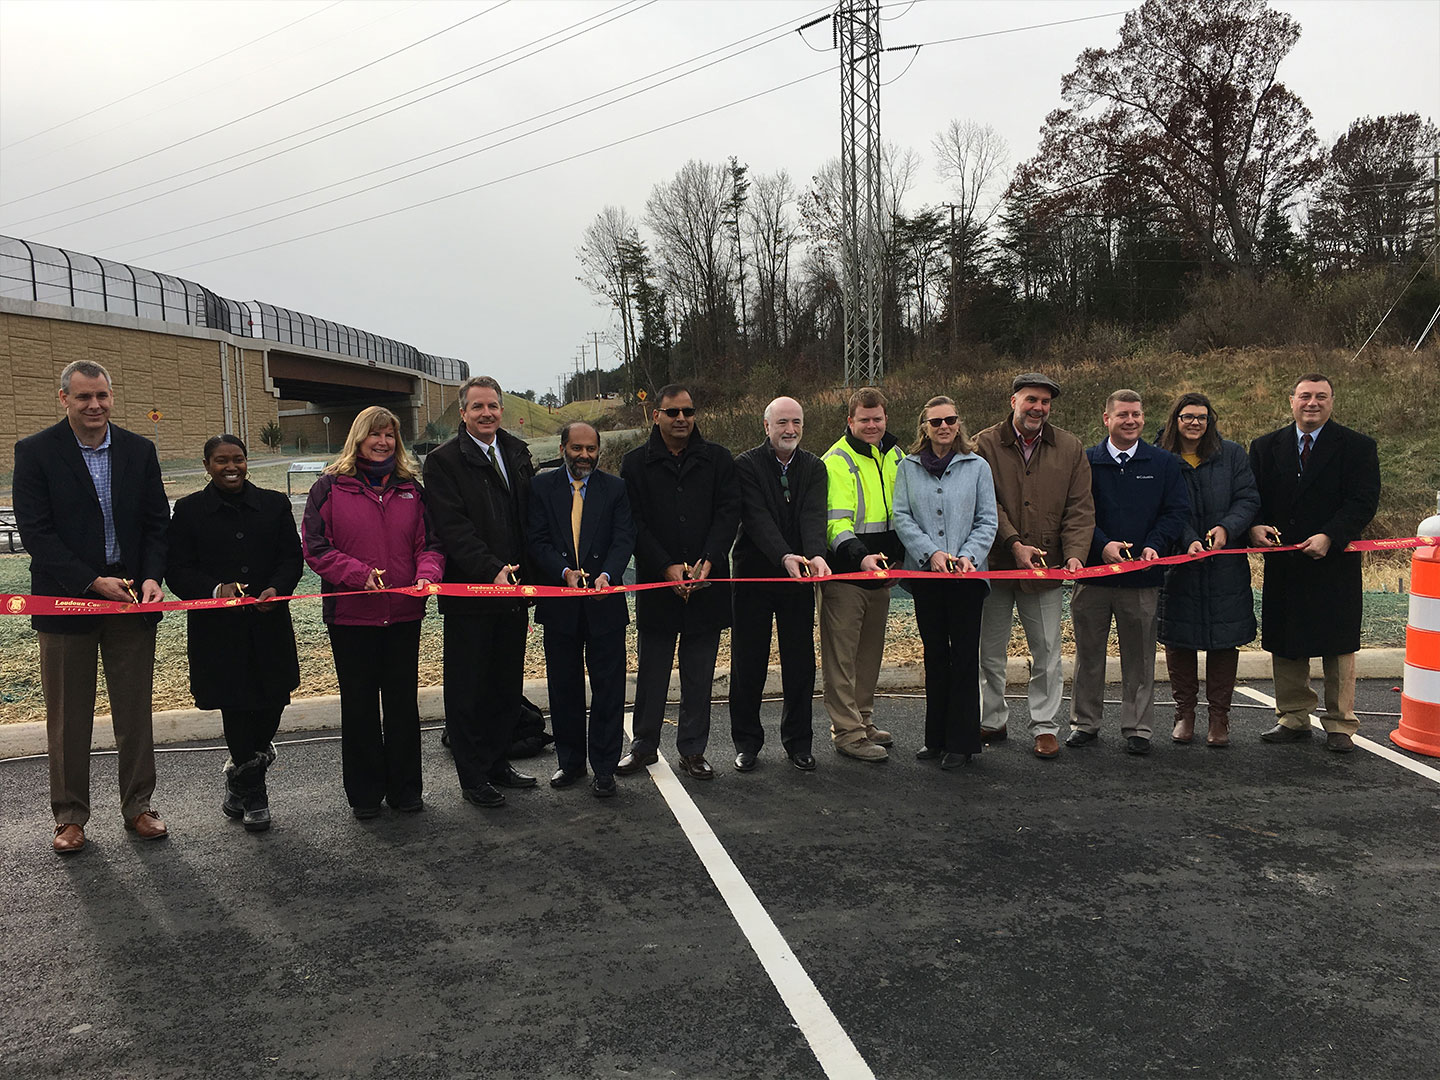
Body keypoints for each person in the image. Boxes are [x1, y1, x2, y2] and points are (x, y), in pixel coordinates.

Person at [13, 359, 171, 854]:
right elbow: (36, 533)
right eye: (83, 397)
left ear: (110, 395)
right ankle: (69, 817)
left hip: (129, 604)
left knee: (134, 712)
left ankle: (139, 807)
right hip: (66, 602)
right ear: (64, 399)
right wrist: (90, 581)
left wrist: (150, 576)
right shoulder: (36, 452)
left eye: (101, 395)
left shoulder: (138, 450)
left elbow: (155, 523)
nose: (94, 405)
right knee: (67, 717)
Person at [302, 406, 444, 818]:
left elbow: (431, 545)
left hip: (403, 614)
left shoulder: (412, 490)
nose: (382, 442)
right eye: (374, 434)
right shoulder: (328, 488)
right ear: (358, 437)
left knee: (402, 706)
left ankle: (406, 790)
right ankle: (364, 795)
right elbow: (315, 548)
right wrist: (357, 574)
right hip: (351, 617)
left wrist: (427, 576)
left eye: (389, 435)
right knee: (360, 706)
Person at [166, 434, 303, 831]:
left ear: (247, 462)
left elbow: (290, 557)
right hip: (218, 632)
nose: (231, 467)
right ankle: (255, 794)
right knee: (237, 705)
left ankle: (238, 777)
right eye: (222, 461)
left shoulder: (274, 504)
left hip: (269, 623)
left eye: (238, 459)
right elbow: (177, 569)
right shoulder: (190, 510)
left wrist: (278, 587)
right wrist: (215, 590)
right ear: (207, 465)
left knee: (274, 699)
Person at [423, 376, 539, 807]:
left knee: (504, 686)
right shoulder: (443, 461)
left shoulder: (516, 452)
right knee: (468, 689)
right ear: (463, 413)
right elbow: (453, 527)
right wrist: (490, 570)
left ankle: (497, 762)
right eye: (478, 407)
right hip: (471, 595)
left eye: (493, 406)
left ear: (501, 410)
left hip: (514, 594)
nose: (486, 413)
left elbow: (527, 517)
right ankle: (473, 777)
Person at [1248, 374, 1380, 753]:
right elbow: (1251, 496)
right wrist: (1254, 527)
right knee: (1287, 642)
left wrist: (1330, 536)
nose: (1312, 403)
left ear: (1332, 402)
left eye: (1321, 396)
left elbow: (1362, 501)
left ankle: (1340, 723)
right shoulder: (1265, 446)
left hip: (1333, 561)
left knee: (1337, 645)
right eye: (1305, 396)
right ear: (1291, 401)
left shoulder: (1357, 447)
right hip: (1285, 563)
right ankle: (1292, 717)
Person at [618, 385, 740, 781]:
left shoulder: (718, 459)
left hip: (706, 585)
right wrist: (665, 566)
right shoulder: (635, 464)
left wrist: (709, 560)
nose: (682, 419)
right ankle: (643, 746)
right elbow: (634, 522)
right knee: (652, 671)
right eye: (673, 412)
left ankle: (692, 749)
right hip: (659, 587)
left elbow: (728, 513)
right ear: (656, 416)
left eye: (688, 411)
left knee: (699, 672)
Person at [972, 373, 1094, 759]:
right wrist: (1013, 543)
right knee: (988, 652)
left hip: (1046, 569)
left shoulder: (1071, 448)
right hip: (995, 564)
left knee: (1047, 653)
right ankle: (991, 719)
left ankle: (1044, 726)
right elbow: (985, 503)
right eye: (1030, 399)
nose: (1037, 407)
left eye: (1044, 401)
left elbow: (1080, 508)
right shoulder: (983, 444)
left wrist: (1075, 553)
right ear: (1013, 401)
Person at [1067, 390, 1190, 755]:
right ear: (1106, 419)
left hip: (1142, 579)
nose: (1131, 420)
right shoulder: (1086, 461)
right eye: (1122, 415)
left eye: (1136, 414)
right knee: (1089, 655)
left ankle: (1138, 728)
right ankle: (1084, 723)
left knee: (1140, 658)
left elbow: (1176, 510)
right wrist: (1101, 544)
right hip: (1093, 576)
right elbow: (1077, 512)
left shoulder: (1163, 463)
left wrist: (1156, 543)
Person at [527, 421, 635, 798]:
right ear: (562, 449)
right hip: (560, 606)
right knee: (563, 687)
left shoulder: (615, 488)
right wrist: (563, 572)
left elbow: (624, 538)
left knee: (608, 689)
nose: (585, 455)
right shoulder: (541, 486)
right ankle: (570, 763)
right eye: (577, 448)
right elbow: (536, 539)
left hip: (605, 607)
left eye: (591, 449)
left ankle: (604, 767)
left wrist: (608, 574)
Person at [892, 396, 998, 770]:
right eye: (935, 422)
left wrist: (968, 555)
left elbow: (988, 519)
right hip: (927, 576)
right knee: (935, 656)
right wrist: (931, 554)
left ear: (958, 423)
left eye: (950, 420)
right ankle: (934, 738)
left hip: (968, 578)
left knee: (965, 657)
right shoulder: (907, 467)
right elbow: (902, 517)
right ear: (924, 427)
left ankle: (962, 740)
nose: (943, 427)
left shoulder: (977, 466)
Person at [729, 396, 831, 773]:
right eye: (783, 423)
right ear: (766, 426)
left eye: (797, 423)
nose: (791, 430)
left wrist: (816, 554)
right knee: (748, 662)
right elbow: (755, 518)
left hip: (798, 579)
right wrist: (784, 556)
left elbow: (813, 515)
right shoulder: (745, 465)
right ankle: (747, 743)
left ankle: (798, 742)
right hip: (755, 575)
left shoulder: (815, 467)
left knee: (800, 662)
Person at [1155, 393, 1260, 748]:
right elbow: (1162, 504)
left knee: (1224, 640)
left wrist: (1227, 528)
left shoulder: (1232, 454)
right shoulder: (1161, 456)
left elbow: (1248, 498)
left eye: (1202, 417)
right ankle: (1184, 713)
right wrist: (1186, 539)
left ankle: (1220, 717)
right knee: (1178, 638)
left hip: (1225, 563)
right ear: (1176, 419)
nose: (1195, 423)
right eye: (1188, 417)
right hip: (1179, 563)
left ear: (1210, 420)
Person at [819, 386, 906, 762]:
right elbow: (834, 524)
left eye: (877, 419)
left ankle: (864, 720)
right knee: (842, 657)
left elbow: (904, 512)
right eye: (864, 419)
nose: (872, 425)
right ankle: (847, 732)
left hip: (882, 574)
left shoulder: (898, 456)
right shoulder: (835, 461)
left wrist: (899, 559)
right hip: (846, 575)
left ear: (886, 419)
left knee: (869, 654)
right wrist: (861, 558)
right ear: (850, 421)